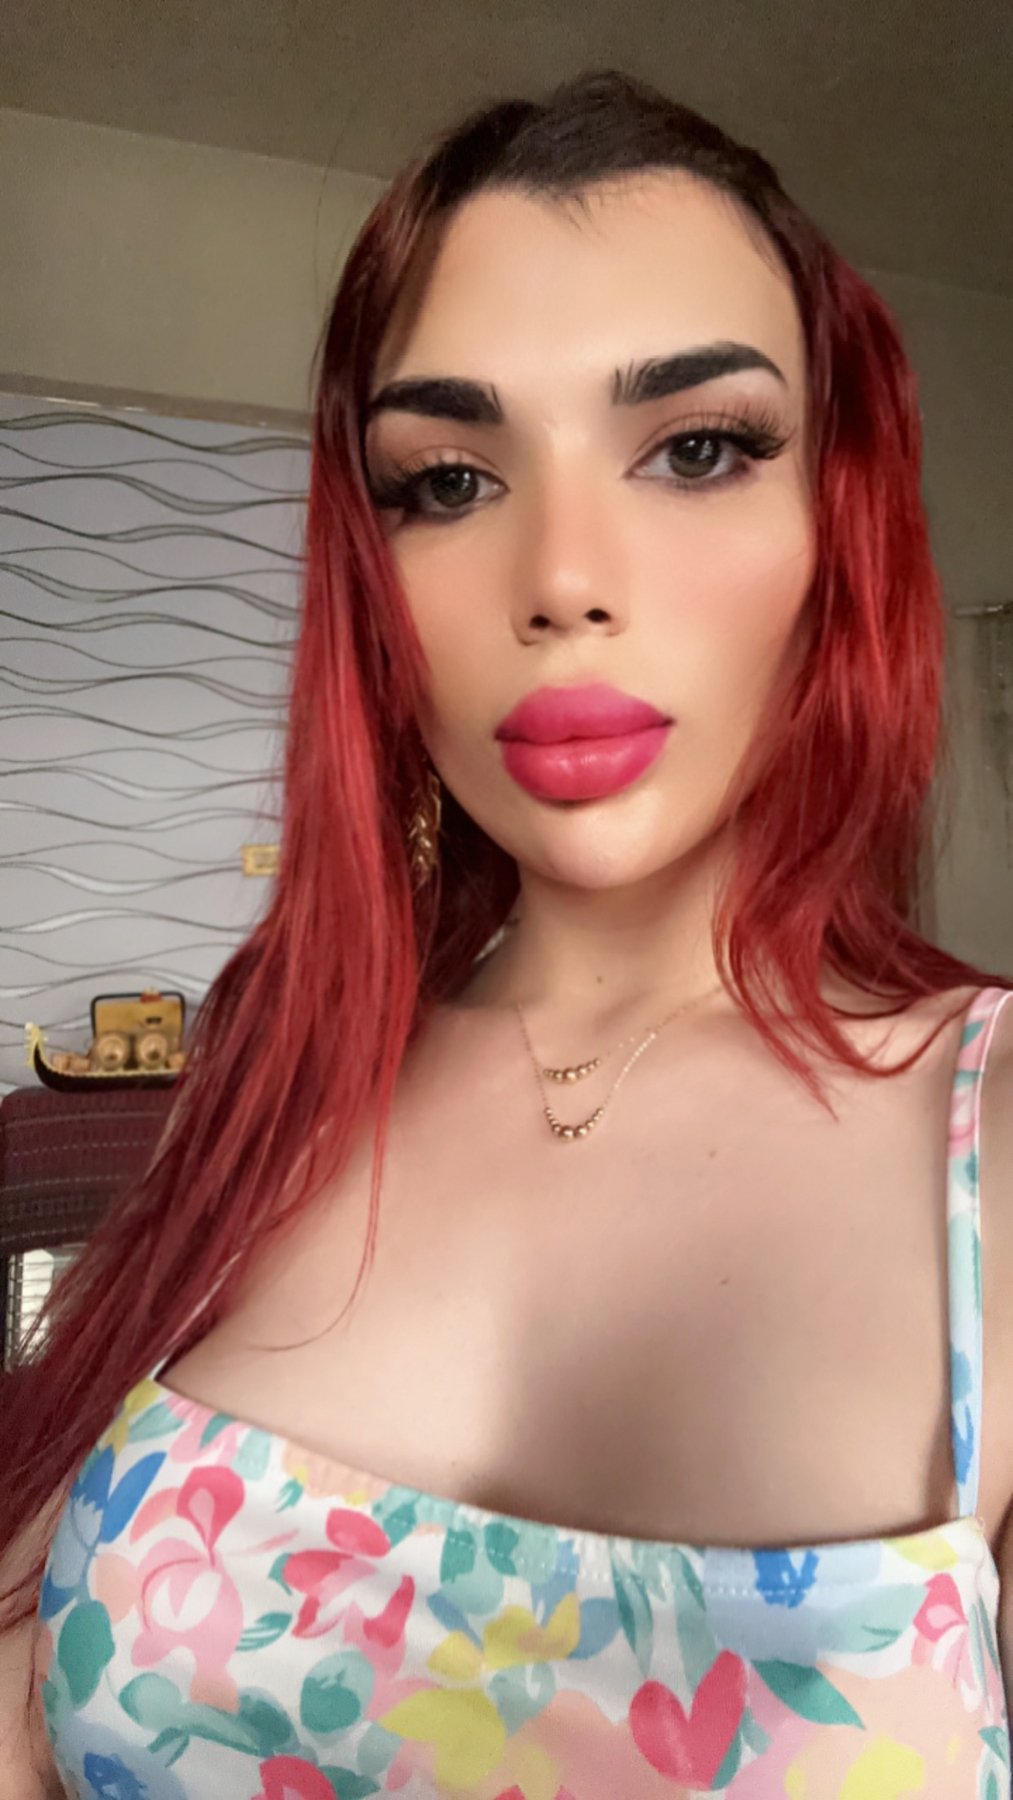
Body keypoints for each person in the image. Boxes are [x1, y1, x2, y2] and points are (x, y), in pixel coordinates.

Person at [2, 66, 1011, 1800]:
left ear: (833, 523)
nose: (560, 577)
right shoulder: (282, 1080)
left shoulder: (987, 1136)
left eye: (697, 449)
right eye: (449, 479)